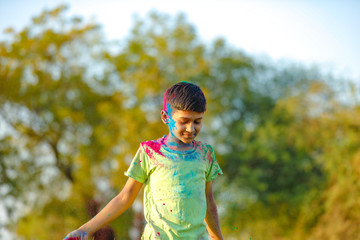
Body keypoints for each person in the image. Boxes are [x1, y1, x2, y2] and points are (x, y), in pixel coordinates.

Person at [63, 81, 224, 240]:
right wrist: (84, 230)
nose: (191, 128)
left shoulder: (205, 154)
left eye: (197, 121)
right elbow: (125, 197)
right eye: (184, 121)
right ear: (165, 117)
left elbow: (209, 203)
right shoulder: (150, 153)